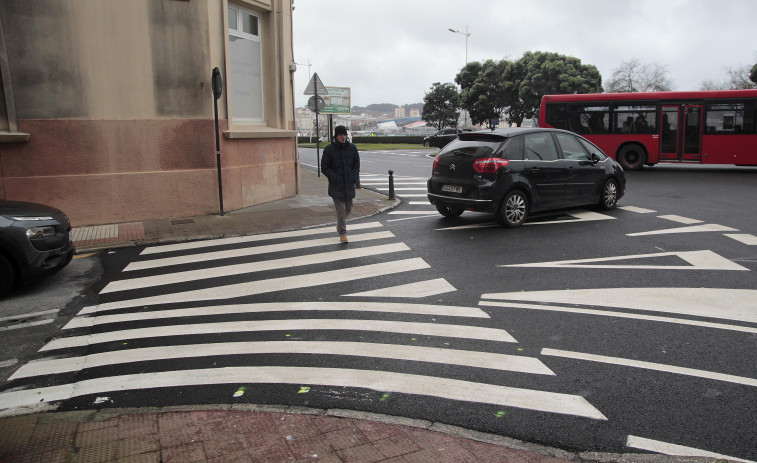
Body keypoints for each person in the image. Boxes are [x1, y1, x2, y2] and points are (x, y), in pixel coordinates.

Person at [321, 125, 360, 242]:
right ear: (336, 136)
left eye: (344, 135)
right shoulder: (329, 149)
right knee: (341, 210)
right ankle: (343, 233)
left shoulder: (352, 148)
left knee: (348, 208)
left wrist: (354, 177)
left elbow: (356, 164)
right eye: (340, 135)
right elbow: (324, 167)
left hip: (349, 184)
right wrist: (334, 177)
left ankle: (340, 225)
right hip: (336, 185)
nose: (343, 137)